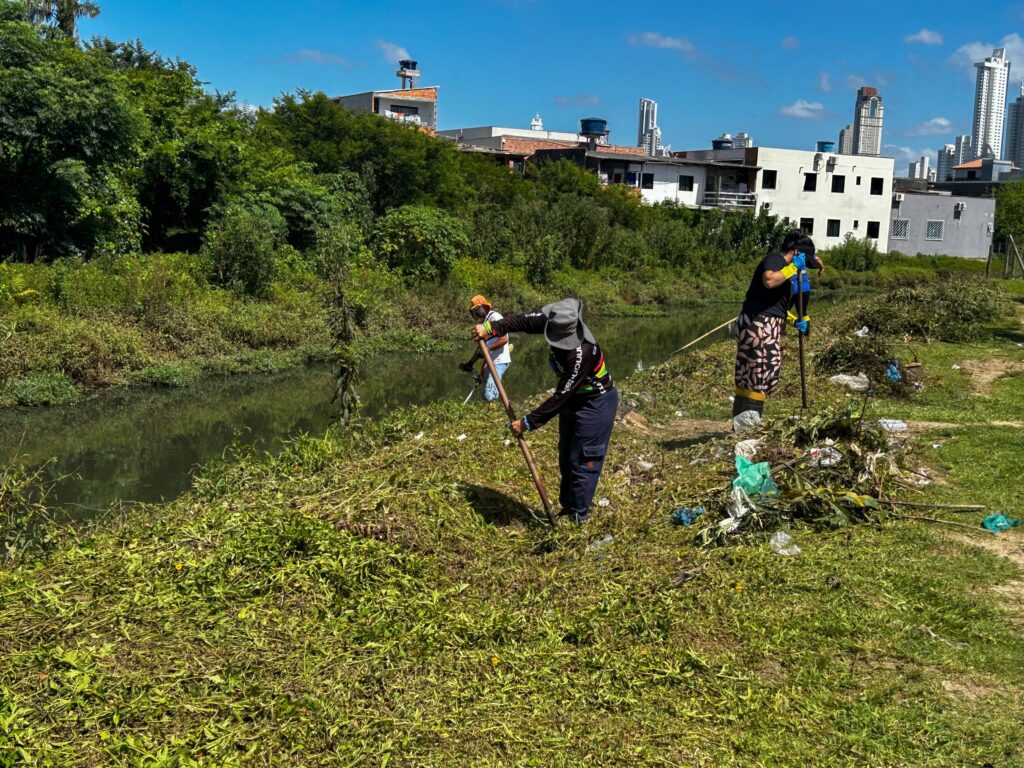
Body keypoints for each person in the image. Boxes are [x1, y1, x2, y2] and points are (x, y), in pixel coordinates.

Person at [472, 298, 616, 524]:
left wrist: (527, 423)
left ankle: (578, 517)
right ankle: (567, 509)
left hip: (595, 404)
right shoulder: (552, 320)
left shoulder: (582, 352)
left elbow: (560, 397)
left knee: (583, 459)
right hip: (572, 400)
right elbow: (520, 321)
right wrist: (489, 328)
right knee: (566, 456)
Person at [733, 230, 819, 424]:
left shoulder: (784, 268)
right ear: (797, 252)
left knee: (748, 375)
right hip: (761, 327)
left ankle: (739, 426)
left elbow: (773, 306)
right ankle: (749, 428)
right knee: (762, 375)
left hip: (757, 323)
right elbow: (769, 280)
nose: (805, 266)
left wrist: (793, 321)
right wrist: (792, 268)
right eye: (804, 260)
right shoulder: (775, 260)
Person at [460, 295, 511, 402]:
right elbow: (481, 348)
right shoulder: (484, 323)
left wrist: (488, 348)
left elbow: (504, 339)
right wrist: (470, 363)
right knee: (486, 394)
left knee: (489, 394)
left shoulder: (495, 317)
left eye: (477, 310)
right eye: (474, 311)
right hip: (490, 362)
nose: (476, 313)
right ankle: (491, 414)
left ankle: (494, 412)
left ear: (484, 306)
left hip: (499, 361)